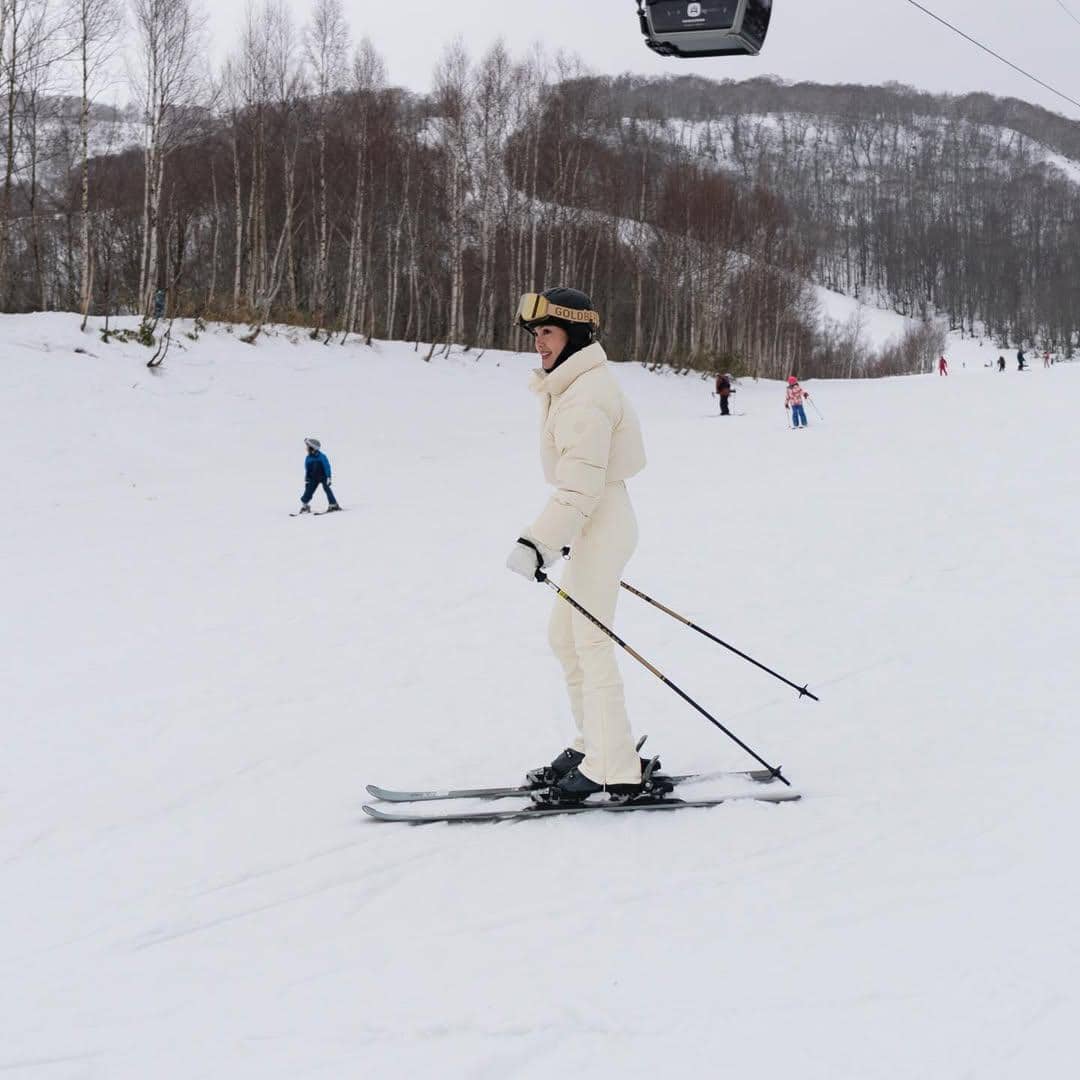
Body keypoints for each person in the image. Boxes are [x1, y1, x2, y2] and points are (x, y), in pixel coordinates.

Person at [506, 287, 648, 803]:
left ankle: (613, 766)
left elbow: (581, 488)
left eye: (547, 332)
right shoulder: (570, 386)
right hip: (593, 520)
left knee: (590, 644)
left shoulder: (586, 395)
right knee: (565, 638)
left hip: (601, 518)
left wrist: (537, 542)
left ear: (576, 335)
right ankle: (598, 744)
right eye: (536, 334)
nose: (538, 343)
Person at [297, 437, 340, 514]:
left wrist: (328, 477)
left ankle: (333, 504)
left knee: (327, 489)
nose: (306, 449)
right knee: (309, 490)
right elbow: (307, 468)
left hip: (323, 477)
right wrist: (307, 477)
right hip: (313, 478)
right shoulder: (308, 458)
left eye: (308, 447)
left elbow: (327, 466)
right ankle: (305, 505)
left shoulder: (321, 457)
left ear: (312, 448)